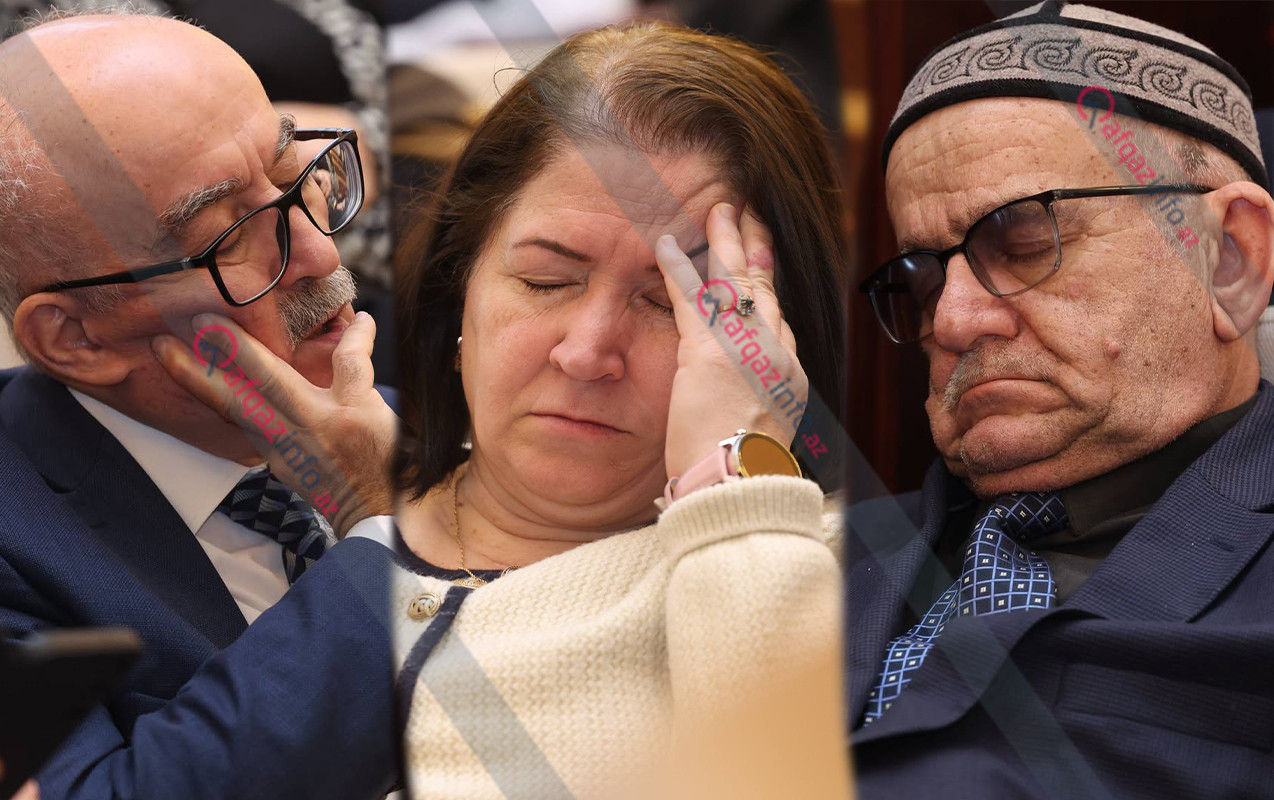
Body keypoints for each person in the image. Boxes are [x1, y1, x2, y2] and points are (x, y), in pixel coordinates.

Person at [386, 22, 850, 798]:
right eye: (545, 282)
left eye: (669, 303)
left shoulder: (810, 570)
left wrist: (735, 482)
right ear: (455, 287)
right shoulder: (305, 512)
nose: (587, 352)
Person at [850, 2, 1274, 798]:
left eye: (1023, 240)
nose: (953, 320)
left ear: (1229, 261)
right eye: (923, 277)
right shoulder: (811, 552)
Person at [0, 11, 404, 799]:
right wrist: (388, 534)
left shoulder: (428, 422)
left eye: (295, 176)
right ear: (77, 338)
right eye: (230, 237)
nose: (321, 253)